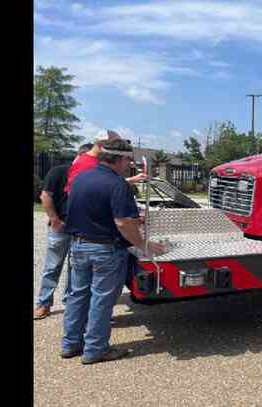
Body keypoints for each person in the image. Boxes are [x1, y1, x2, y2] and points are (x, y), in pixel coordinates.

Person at [62, 138, 165, 364]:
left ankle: (70, 344)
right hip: (106, 251)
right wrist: (144, 245)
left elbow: (92, 210)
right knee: (101, 299)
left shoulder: (80, 178)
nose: (130, 165)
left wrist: (131, 220)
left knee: (78, 295)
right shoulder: (118, 184)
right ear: (119, 159)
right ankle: (96, 350)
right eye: (129, 159)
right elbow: (122, 224)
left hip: (78, 245)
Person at [34, 144, 93, 320]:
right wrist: (55, 220)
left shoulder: (88, 175)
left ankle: (70, 303)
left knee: (75, 268)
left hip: (79, 229)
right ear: (81, 155)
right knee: (52, 266)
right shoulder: (59, 171)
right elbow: (45, 196)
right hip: (60, 227)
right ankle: (44, 303)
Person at [64, 130, 146, 194]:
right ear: (100, 145)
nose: (116, 148)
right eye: (113, 145)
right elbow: (73, 192)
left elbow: (104, 184)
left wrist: (132, 179)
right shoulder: (84, 163)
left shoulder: (100, 162)